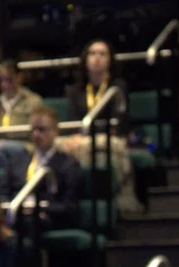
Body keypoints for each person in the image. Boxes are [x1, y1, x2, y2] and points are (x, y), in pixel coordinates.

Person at [60, 39, 141, 214]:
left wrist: (87, 135)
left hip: (108, 138)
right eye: (92, 53)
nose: (97, 58)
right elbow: (73, 122)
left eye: (102, 54)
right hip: (81, 138)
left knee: (100, 145)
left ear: (110, 60)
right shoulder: (75, 91)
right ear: (85, 59)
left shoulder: (117, 87)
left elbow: (119, 123)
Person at [0, 105, 84, 230]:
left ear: (56, 131)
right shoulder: (17, 160)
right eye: (33, 130)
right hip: (16, 213)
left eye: (42, 130)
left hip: (48, 218)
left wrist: (37, 209)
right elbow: (1, 192)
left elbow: (69, 206)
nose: (36, 134)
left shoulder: (68, 164)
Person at [0, 59, 45, 170]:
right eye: (1, 80)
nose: (4, 84)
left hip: (22, 144)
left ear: (19, 77)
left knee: (0, 148)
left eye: (9, 80)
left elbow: (37, 131)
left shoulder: (33, 101)